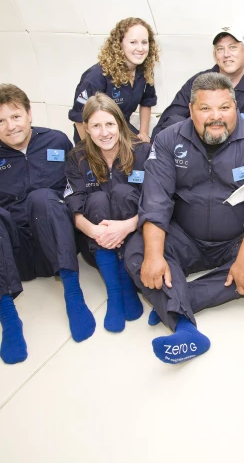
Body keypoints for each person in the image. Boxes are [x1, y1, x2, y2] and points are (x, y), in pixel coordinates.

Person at [124, 72, 244, 364]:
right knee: (138, 252)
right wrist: (153, 255)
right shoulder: (167, 140)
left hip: (236, 239)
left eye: (225, 108)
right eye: (205, 109)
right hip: (184, 236)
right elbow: (155, 201)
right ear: (191, 111)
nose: (216, 117)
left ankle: (173, 301)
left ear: (235, 108)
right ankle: (186, 328)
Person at [0, 84, 95, 365]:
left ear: (29, 114)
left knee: (43, 198)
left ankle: (73, 296)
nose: (10, 126)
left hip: (55, 242)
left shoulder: (57, 140)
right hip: (14, 254)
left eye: (15, 116)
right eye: (0, 120)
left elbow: (77, 188)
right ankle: (8, 317)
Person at [64, 93, 147, 332]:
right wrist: (94, 230)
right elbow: (73, 204)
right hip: (96, 243)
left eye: (110, 124)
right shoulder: (77, 157)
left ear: (120, 124)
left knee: (122, 192)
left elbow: (157, 200)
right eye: (96, 126)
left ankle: (127, 282)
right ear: (86, 129)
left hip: (134, 238)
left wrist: (129, 225)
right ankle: (114, 292)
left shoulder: (142, 151)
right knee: (97, 198)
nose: (104, 132)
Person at [151, 27, 244, 139]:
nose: (226, 54)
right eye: (220, 49)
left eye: (232, 47)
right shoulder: (197, 82)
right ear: (214, 56)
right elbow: (170, 119)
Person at [68, 17, 159, 144]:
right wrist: (91, 151)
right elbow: (79, 118)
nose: (140, 48)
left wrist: (143, 133)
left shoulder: (143, 72)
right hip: (94, 138)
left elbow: (147, 101)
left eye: (144, 42)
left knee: (148, 152)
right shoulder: (96, 76)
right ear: (119, 44)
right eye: (133, 42)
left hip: (122, 130)